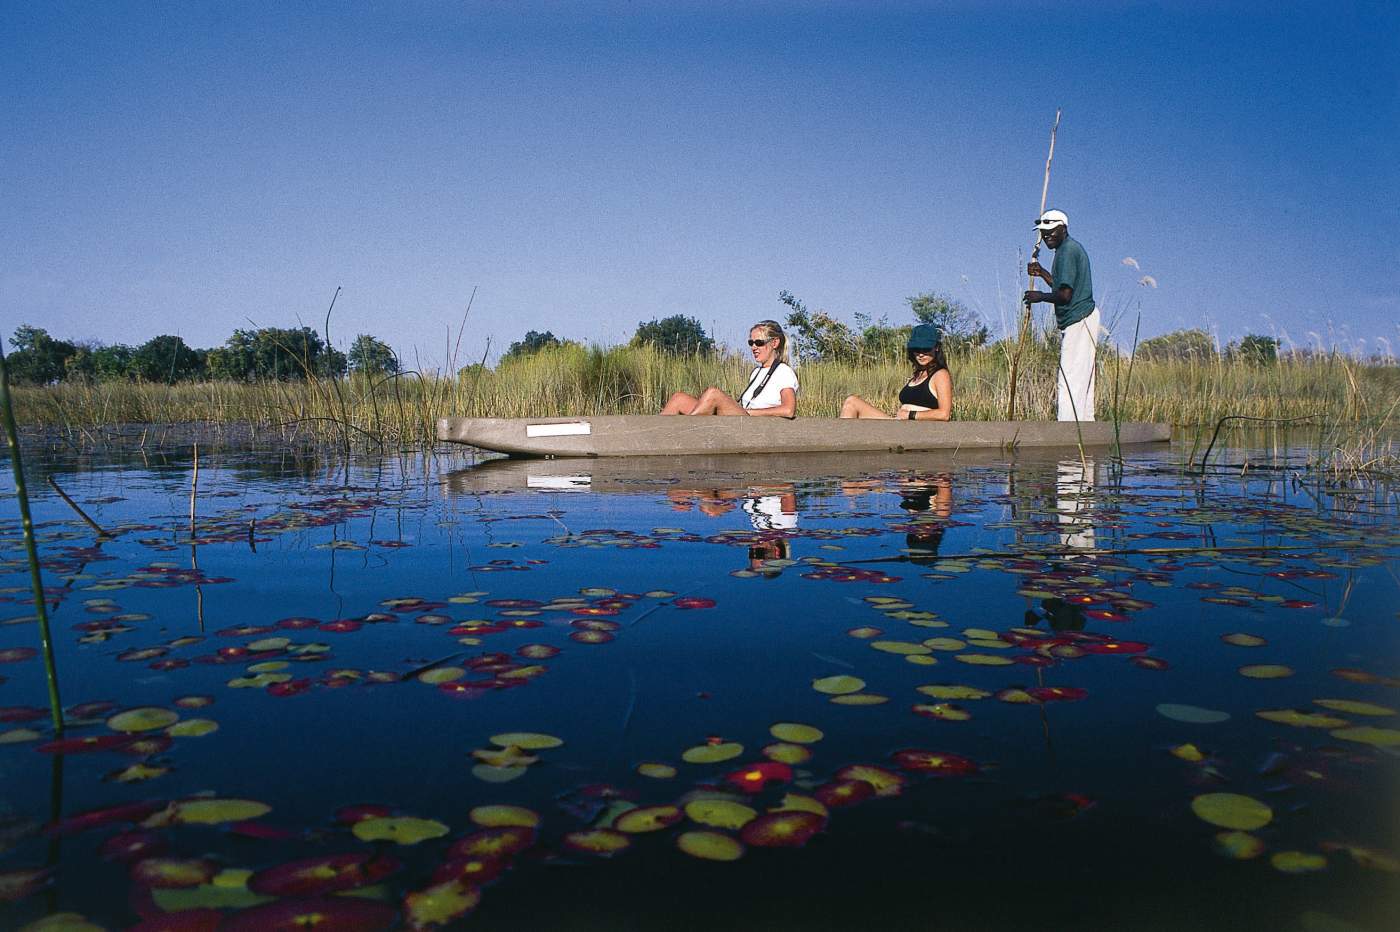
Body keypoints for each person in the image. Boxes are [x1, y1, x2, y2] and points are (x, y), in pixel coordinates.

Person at [1024, 209, 1099, 422]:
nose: (1047, 235)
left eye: (1051, 231)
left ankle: (1068, 428)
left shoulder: (1067, 252)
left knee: (1069, 379)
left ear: (1063, 228)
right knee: (1082, 378)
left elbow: (1065, 295)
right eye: (1043, 232)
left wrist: (1040, 297)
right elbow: (1063, 285)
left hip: (1079, 318)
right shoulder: (1067, 249)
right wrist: (1042, 273)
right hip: (1082, 318)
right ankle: (1085, 424)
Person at [660, 320, 797, 417]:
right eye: (751, 342)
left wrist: (752, 413)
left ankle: (685, 432)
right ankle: (654, 436)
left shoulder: (783, 372)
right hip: (741, 417)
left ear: (774, 343)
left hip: (753, 426)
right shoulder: (756, 372)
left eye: (759, 343)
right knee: (679, 398)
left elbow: (788, 410)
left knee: (713, 394)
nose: (754, 347)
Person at [839, 323, 953, 421]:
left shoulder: (940, 375)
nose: (921, 354)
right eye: (916, 349)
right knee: (852, 402)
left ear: (936, 348)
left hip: (918, 430)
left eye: (926, 349)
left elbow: (944, 414)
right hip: (900, 425)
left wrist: (910, 414)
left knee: (852, 402)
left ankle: (842, 444)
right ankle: (841, 443)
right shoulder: (918, 374)